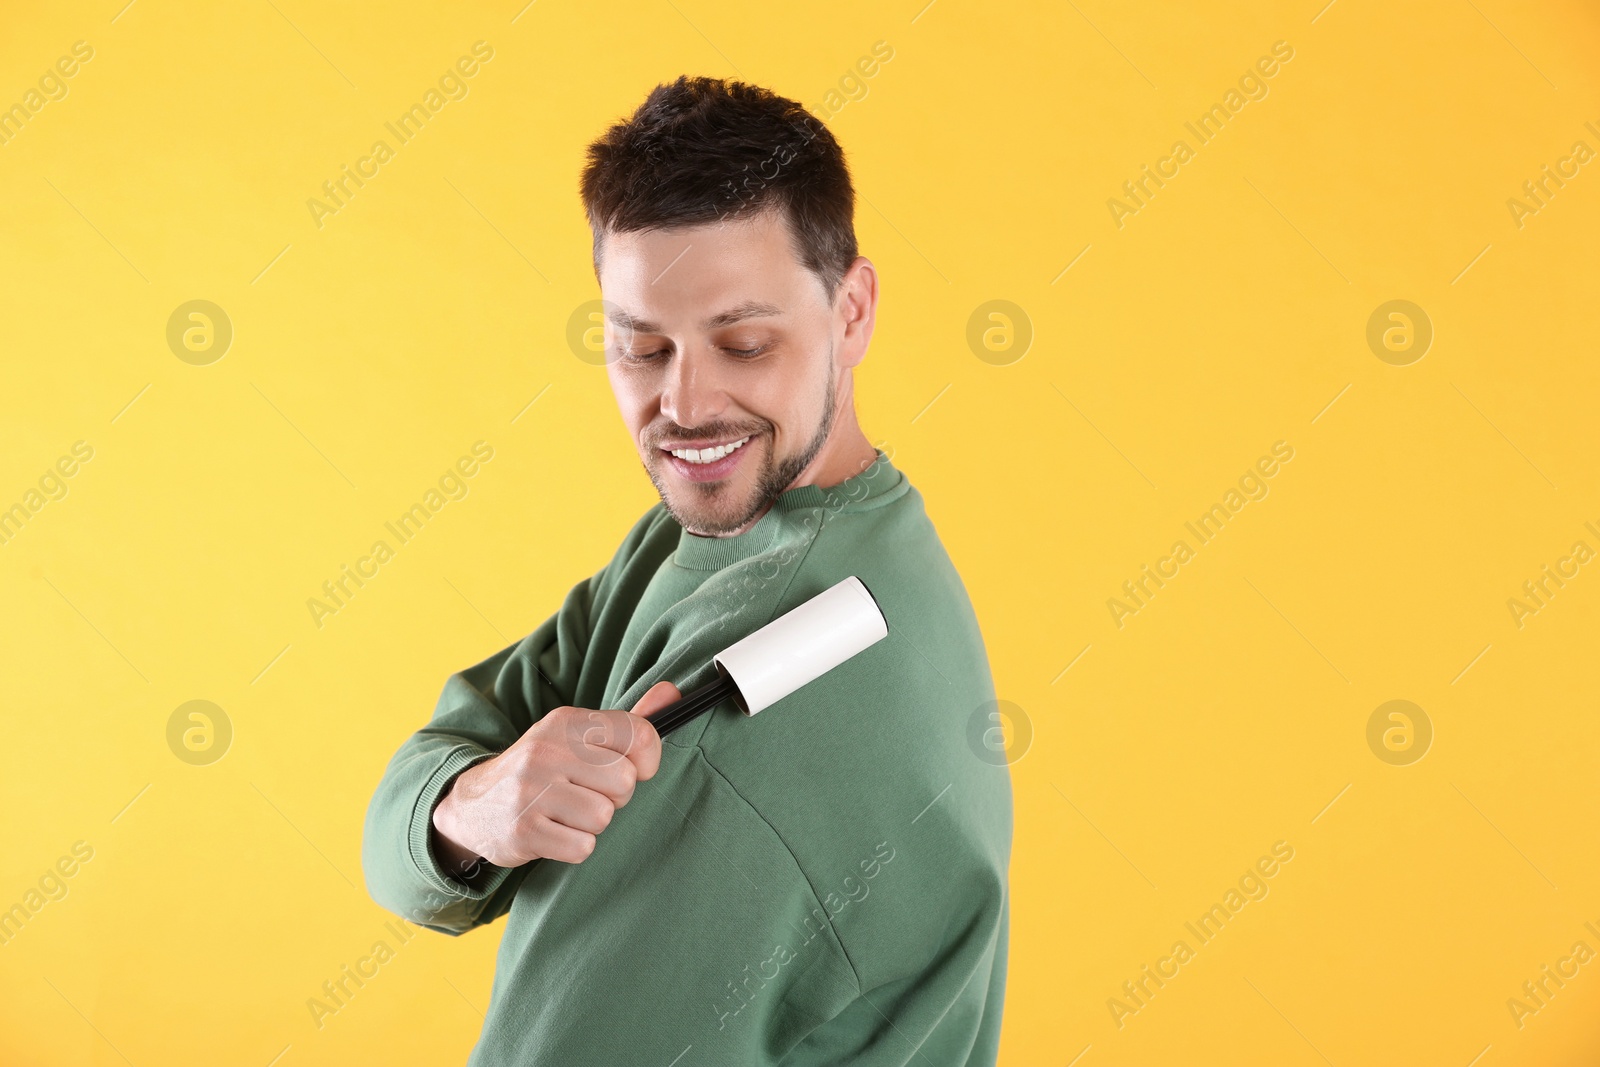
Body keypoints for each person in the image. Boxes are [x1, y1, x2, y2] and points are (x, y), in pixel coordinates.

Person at [361, 74, 1012, 1066]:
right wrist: (469, 808)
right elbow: (424, 801)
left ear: (852, 312)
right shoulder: (722, 534)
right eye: (640, 346)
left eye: (743, 343)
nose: (687, 402)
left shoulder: (736, 715)